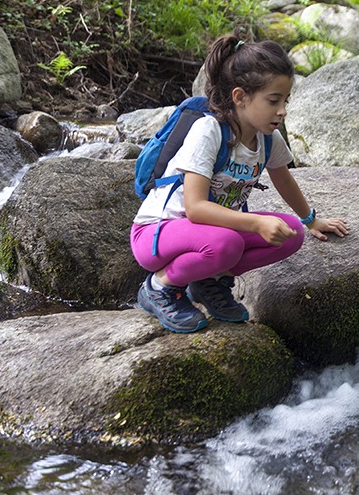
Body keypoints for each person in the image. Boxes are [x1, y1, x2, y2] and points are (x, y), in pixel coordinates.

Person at [130, 35, 348, 333]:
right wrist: (256, 224)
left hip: (208, 237)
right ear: (240, 97)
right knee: (227, 243)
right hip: (157, 234)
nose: (282, 110)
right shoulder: (209, 132)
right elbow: (195, 209)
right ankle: (159, 287)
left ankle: (209, 282)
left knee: (291, 234)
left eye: (286, 100)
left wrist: (311, 220)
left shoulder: (267, 138)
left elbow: (283, 179)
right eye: (273, 100)